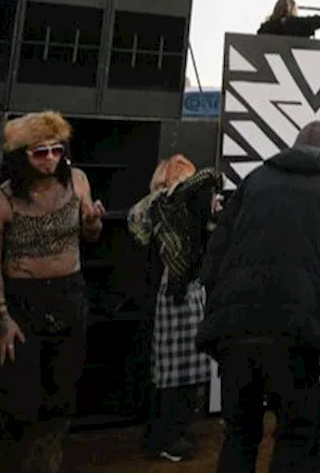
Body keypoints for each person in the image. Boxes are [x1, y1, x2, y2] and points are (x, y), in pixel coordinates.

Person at [198, 121, 320, 473]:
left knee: (239, 433)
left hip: (236, 330)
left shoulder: (256, 180)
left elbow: (213, 257)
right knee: (297, 435)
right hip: (298, 334)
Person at [0, 111, 103, 472]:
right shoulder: (1, 201)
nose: (50, 159)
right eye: (40, 152)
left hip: (69, 294)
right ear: (21, 155)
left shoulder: (78, 182)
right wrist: (2, 317)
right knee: (17, 401)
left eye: (57, 150)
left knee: (62, 396)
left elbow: (90, 238)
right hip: (22, 300)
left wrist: (92, 223)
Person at [127, 155, 221, 462]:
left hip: (165, 296)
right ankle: (166, 435)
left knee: (168, 373)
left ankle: (166, 432)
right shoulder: (175, 211)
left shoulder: (145, 209)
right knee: (177, 374)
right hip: (178, 297)